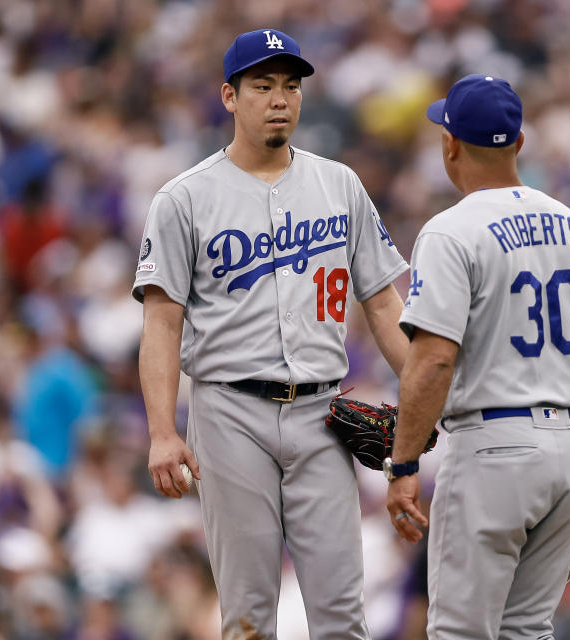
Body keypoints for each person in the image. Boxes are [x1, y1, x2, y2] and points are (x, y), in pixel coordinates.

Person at [133, 28, 409, 639]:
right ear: (229, 97)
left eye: (290, 85)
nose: (280, 98)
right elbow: (161, 322)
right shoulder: (184, 198)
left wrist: (420, 402)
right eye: (263, 86)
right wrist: (160, 432)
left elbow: (384, 305)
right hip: (228, 412)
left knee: (343, 616)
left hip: (321, 413)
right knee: (250, 617)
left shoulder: (339, 185)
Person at [384, 74, 570, 639]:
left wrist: (403, 464)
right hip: (569, 448)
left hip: (491, 446)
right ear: (517, 144)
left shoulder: (451, 231)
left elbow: (434, 360)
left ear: (449, 145)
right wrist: (556, 422)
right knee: (528, 630)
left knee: (460, 632)